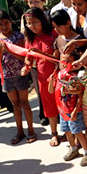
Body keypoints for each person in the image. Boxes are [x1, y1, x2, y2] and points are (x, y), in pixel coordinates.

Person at [0, 10, 36, 145]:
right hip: (7, 77)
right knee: (15, 105)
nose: (4, 27)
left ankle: (31, 130)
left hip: (20, 74)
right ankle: (20, 131)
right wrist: (0, 52)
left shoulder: (18, 36)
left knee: (25, 103)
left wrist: (10, 50)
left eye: (6, 23)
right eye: (0, 24)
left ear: (11, 22)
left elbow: (23, 56)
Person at [21, 8, 60, 146]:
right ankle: (54, 133)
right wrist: (25, 67)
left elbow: (57, 59)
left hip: (59, 76)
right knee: (49, 107)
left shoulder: (53, 34)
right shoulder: (29, 39)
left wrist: (39, 53)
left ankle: (72, 133)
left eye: (35, 22)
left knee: (64, 104)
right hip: (43, 79)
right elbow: (29, 59)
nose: (32, 26)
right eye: (29, 23)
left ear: (42, 20)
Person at [49, 51, 87, 166]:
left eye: (68, 61)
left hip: (73, 111)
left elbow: (79, 94)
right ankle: (73, 148)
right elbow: (50, 91)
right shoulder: (59, 76)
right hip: (62, 111)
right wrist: (52, 80)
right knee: (67, 131)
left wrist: (74, 110)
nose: (64, 64)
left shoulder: (74, 78)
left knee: (77, 132)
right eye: (63, 61)